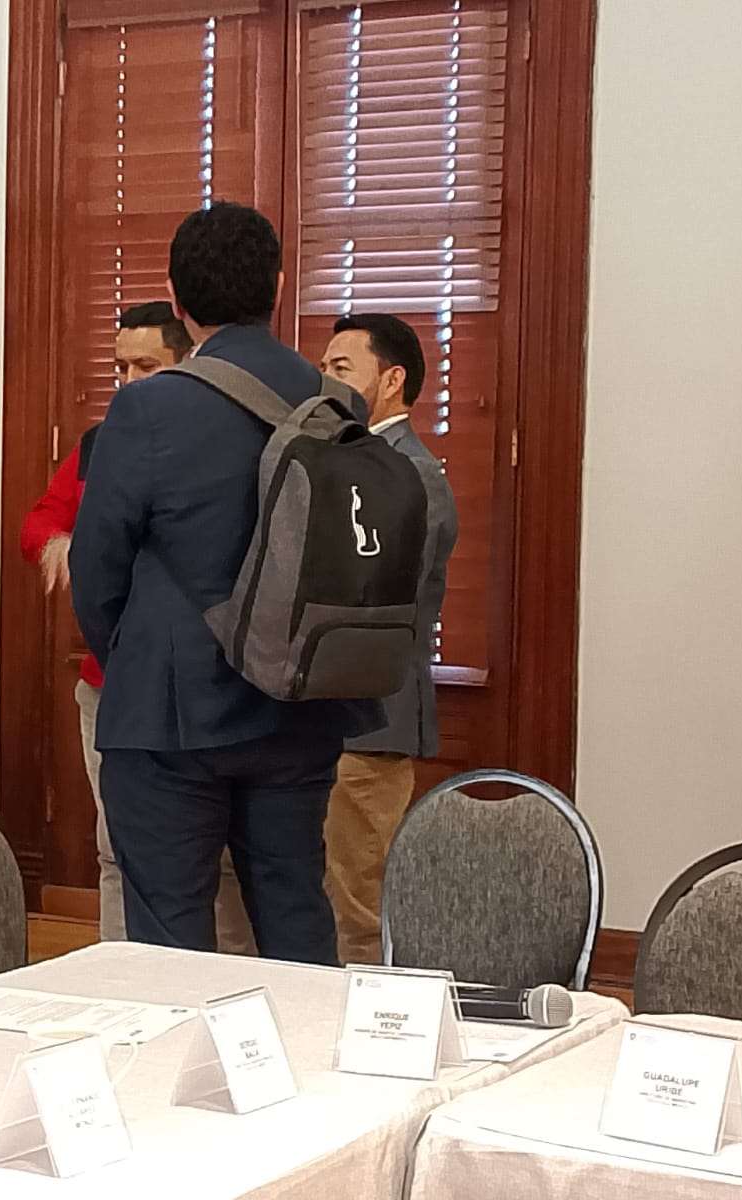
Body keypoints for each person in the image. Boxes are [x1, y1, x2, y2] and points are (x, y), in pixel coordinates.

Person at [70, 201, 382, 963]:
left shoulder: (147, 407)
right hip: (301, 702)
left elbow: (96, 567)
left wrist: (132, 661)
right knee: (294, 911)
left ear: (178, 301)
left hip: (171, 709)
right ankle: (307, 1039)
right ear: (278, 285)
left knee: (170, 936)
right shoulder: (337, 403)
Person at [21, 301, 255, 954]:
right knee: (116, 848)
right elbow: (39, 522)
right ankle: (122, 978)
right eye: (120, 366)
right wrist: (64, 545)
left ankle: (233, 986)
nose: (127, 381)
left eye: (145, 366)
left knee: (224, 857)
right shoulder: (101, 444)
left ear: (187, 364)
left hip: (212, 682)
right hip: (112, 683)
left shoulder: (229, 440)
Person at [319, 313, 458, 964]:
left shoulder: (410, 474)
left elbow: (374, 596)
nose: (325, 381)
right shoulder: (350, 460)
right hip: (329, 718)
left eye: (341, 369)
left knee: (361, 902)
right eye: (323, 368)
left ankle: (375, 1017)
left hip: (372, 721)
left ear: (393, 379)